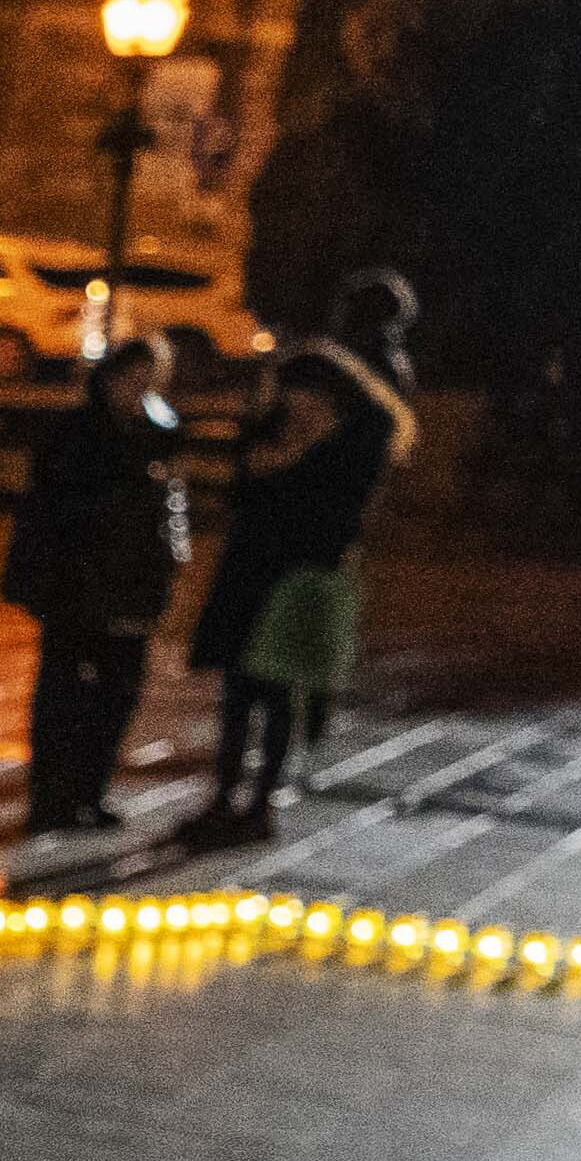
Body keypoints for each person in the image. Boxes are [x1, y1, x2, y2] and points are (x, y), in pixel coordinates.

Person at [180, 286, 419, 846]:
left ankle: (253, 802)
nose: (293, 403)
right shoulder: (304, 421)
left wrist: (273, 469)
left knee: (270, 687)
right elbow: (238, 484)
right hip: (270, 566)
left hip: (293, 572)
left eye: (301, 396)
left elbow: (319, 503)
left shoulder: (351, 437)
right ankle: (232, 799)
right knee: (248, 689)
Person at [1, 333, 194, 837]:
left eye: (151, 381)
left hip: (133, 584)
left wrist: (170, 566)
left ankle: (90, 790)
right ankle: (50, 795)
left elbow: (170, 510)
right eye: (133, 378)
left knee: (118, 692)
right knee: (63, 689)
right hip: (77, 582)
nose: (140, 390)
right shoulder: (77, 433)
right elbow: (52, 508)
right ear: (110, 376)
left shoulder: (161, 433)